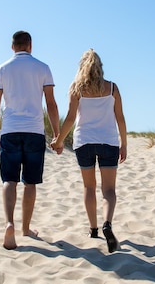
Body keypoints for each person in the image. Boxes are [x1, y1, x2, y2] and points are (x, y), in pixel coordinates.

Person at [51, 48, 127, 253]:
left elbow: (69, 118)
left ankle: (93, 229)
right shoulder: (112, 88)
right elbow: (120, 118)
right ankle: (107, 224)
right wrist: (124, 144)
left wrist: (59, 141)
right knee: (109, 190)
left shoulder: (77, 88)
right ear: (100, 67)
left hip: (84, 142)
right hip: (109, 142)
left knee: (89, 187)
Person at [0, 31, 60, 250]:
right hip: (34, 131)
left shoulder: (2, 68)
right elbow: (51, 104)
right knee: (30, 182)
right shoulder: (43, 68)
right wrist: (57, 134)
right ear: (30, 45)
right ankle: (26, 228)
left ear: (12, 47)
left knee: (9, 180)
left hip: (10, 130)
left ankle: (9, 223)